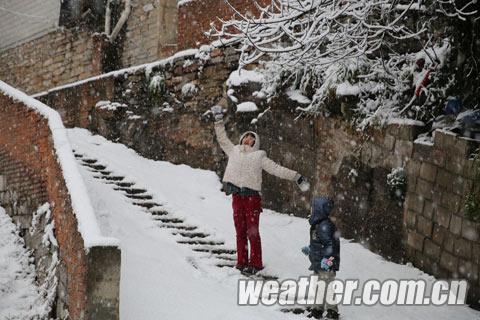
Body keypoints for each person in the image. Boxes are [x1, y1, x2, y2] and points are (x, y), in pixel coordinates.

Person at [211, 104, 310, 275]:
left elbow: (276, 169)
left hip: (252, 198)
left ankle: (255, 264)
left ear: (255, 142)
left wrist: (296, 176)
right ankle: (241, 262)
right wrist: (218, 120)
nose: (247, 139)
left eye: (251, 137)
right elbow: (222, 138)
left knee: (252, 232)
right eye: (246, 136)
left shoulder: (259, 156)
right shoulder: (233, 151)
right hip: (237, 197)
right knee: (240, 231)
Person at [301, 196, 340, 320]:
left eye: (313, 209)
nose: (311, 211)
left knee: (328, 287)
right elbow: (318, 244)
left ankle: (332, 311)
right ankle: (318, 309)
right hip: (318, 263)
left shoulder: (324, 226)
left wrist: (328, 260)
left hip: (326, 264)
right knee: (318, 287)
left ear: (319, 210)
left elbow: (330, 245)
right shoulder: (317, 225)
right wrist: (310, 249)